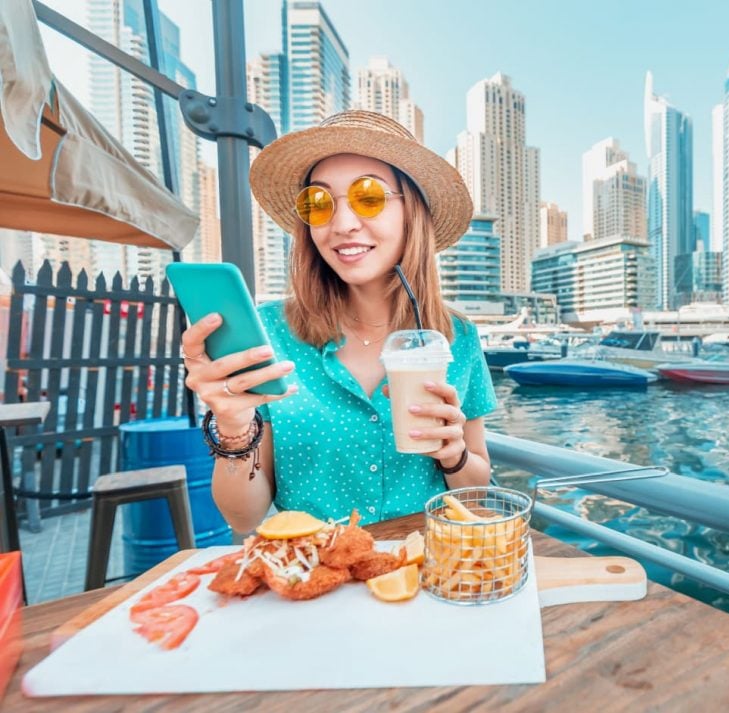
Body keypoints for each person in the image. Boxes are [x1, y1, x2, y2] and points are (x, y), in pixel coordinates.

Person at [179, 110, 496, 532]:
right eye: (319, 203)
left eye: (369, 197)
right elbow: (243, 516)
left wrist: (454, 455)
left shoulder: (457, 337)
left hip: (423, 576)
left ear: (410, 214)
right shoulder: (269, 334)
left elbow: (475, 494)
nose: (342, 224)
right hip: (314, 579)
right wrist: (234, 429)